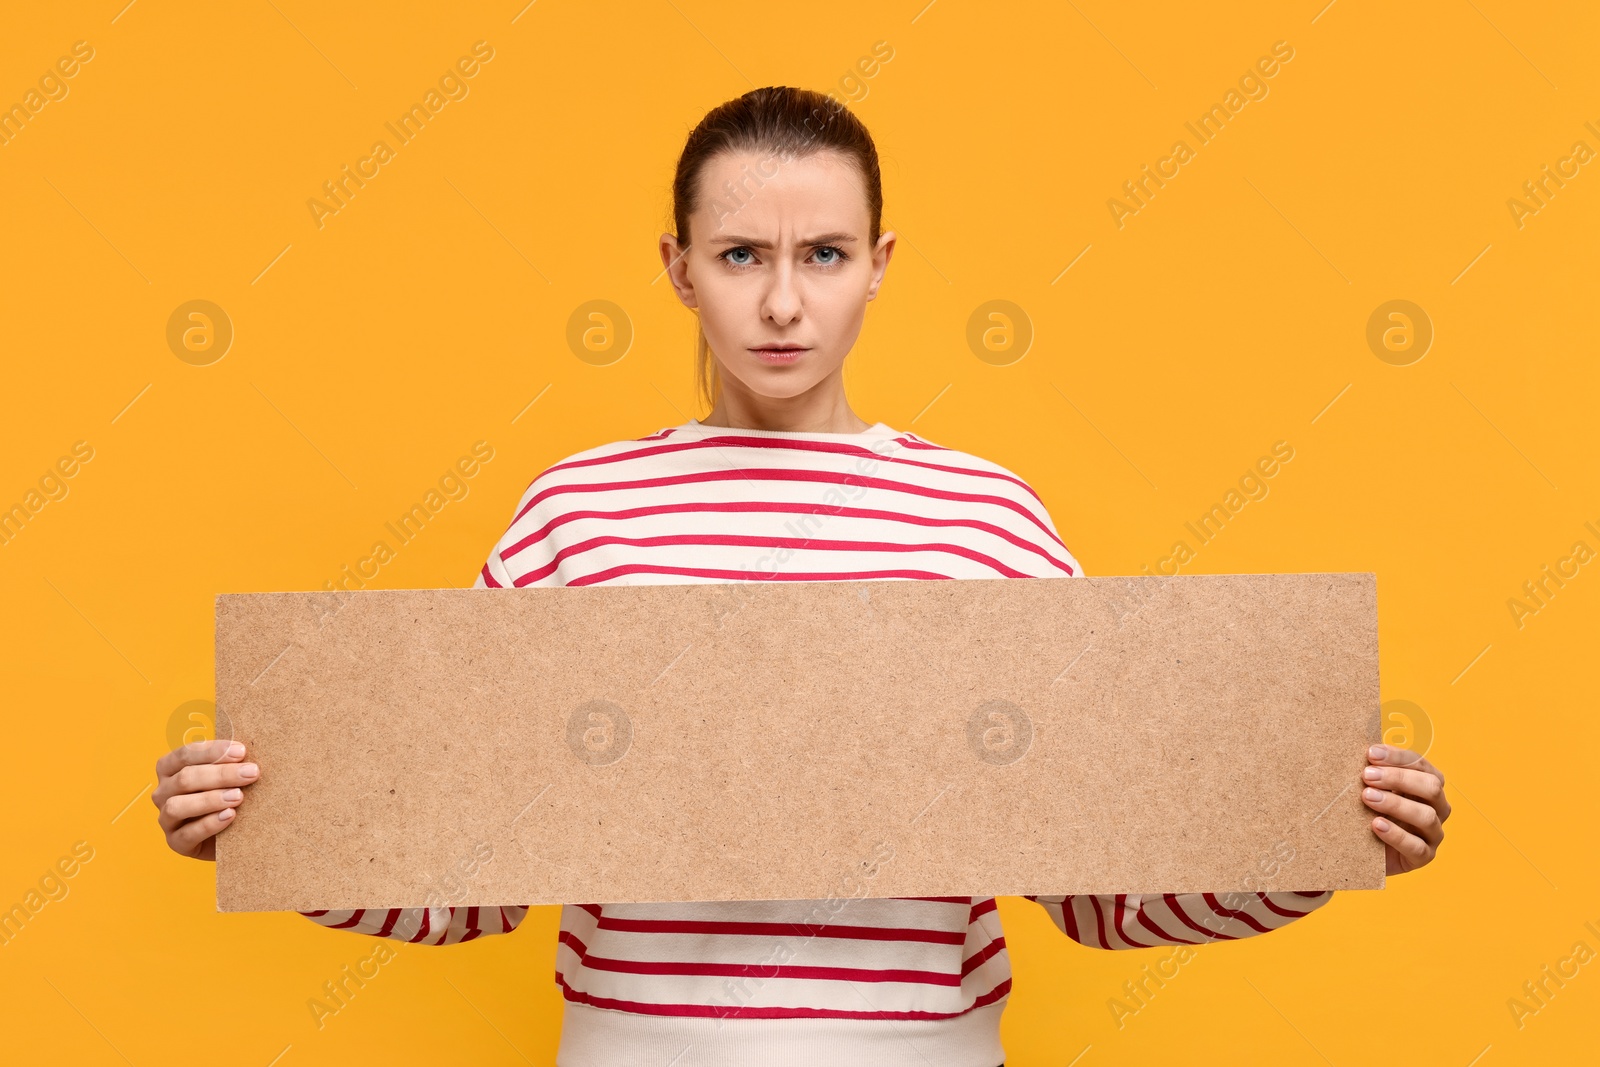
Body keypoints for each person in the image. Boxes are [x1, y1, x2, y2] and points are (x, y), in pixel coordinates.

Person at [155, 86, 1450, 1066]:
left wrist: (1315, 836)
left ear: (881, 266)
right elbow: (473, 875)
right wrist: (270, 826)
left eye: (823, 255)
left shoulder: (981, 521)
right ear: (677, 269)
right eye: (742, 257)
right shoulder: (577, 515)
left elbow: (1100, 890)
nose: (783, 304)